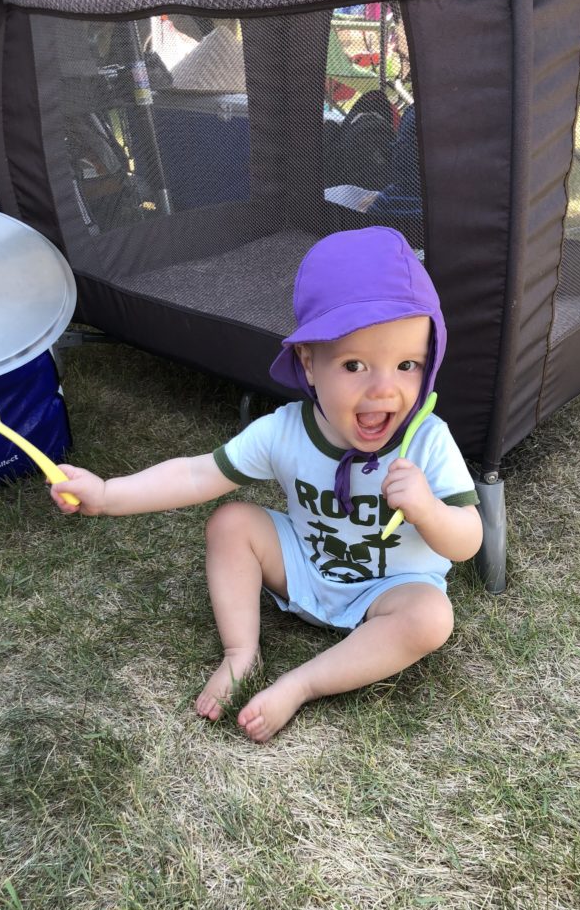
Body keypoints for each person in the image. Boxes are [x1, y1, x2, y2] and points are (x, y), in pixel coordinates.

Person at [50, 227, 483, 742]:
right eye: (354, 365)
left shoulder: (427, 441)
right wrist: (108, 493)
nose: (384, 388)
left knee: (432, 617)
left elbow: (467, 541)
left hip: (390, 592)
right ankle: (241, 652)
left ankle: (302, 683)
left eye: (407, 364)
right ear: (309, 363)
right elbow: (196, 474)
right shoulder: (284, 430)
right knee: (231, 521)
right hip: (303, 567)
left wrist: (430, 511)